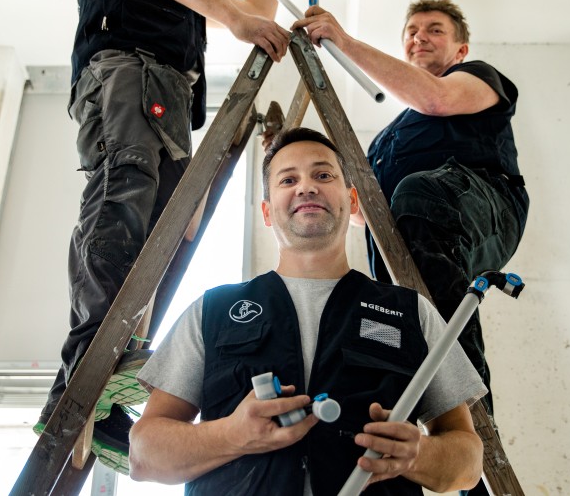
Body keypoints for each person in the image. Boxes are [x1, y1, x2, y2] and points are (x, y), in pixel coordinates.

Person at [36, 0, 293, 473]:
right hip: (125, 76)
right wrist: (231, 15)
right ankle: (83, 374)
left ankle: (104, 380)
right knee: (121, 204)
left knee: (164, 240)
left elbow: (253, 14)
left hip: (172, 102)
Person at [129, 128, 487, 495]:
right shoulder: (212, 311)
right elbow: (144, 455)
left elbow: (469, 464)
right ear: (267, 212)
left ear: (350, 201)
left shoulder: (411, 313)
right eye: (288, 179)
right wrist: (231, 435)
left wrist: (419, 455)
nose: (306, 187)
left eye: (323, 175)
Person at [292, 0, 528, 426]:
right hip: (410, 245)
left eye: (435, 30)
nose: (420, 36)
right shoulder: (388, 139)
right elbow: (370, 215)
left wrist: (342, 41)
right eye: (412, 31)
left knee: (420, 194)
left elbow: (434, 99)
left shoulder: (476, 78)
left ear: (460, 50)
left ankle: (474, 420)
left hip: (481, 208)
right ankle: (437, 430)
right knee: (377, 324)